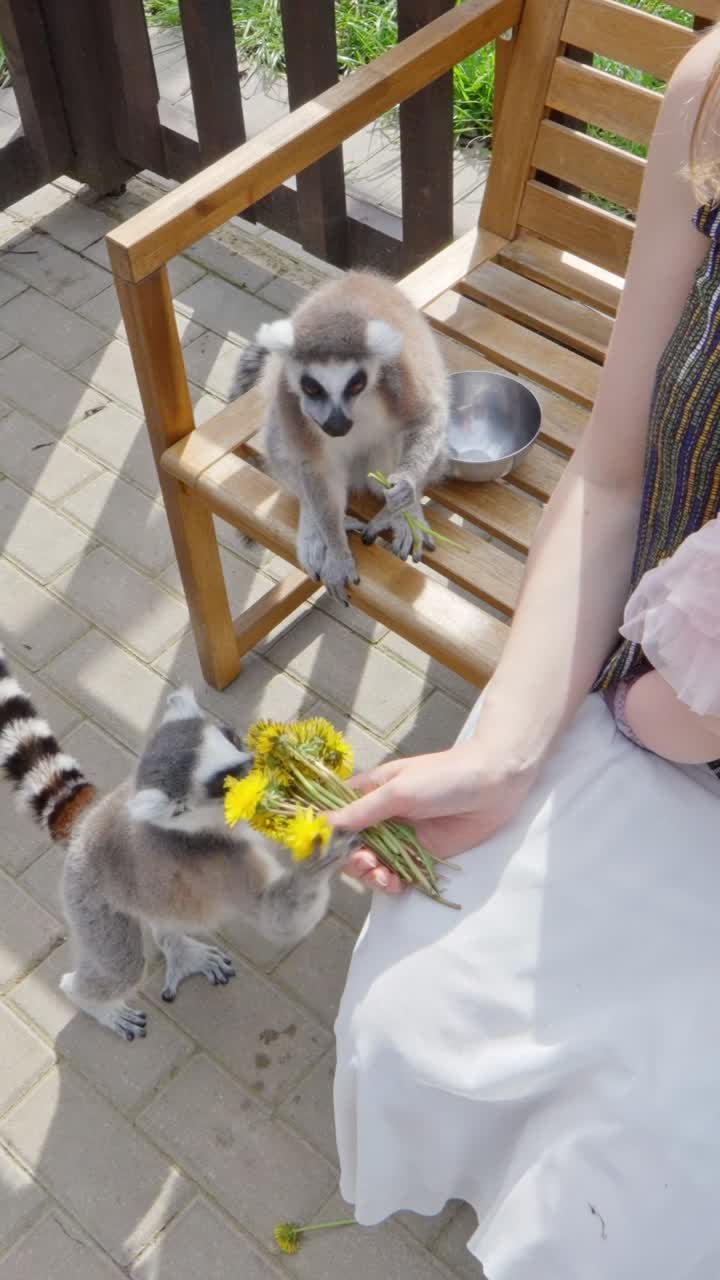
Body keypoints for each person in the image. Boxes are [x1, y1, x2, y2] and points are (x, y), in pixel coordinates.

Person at [329, 25, 720, 1280]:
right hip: (643, 707)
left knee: (629, 1204)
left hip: (683, 727)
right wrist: (500, 747)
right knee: (413, 1013)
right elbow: (611, 477)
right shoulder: (714, 99)